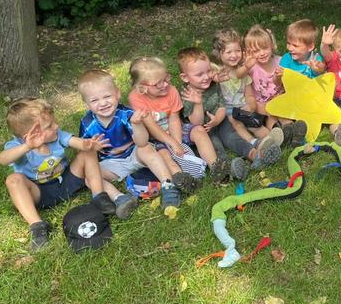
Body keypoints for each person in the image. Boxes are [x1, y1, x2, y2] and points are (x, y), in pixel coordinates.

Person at [0, 98, 112, 251]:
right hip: (40, 192)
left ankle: (99, 198)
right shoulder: (17, 146)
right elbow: (3, 159)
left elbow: (74, 141)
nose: (56, 126)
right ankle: (37, 226)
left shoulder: (57, 135)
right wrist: (27, 147)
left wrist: (88, 144)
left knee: (88, 153)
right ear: (30, 134)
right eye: (50, 125)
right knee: (13, 180)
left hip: (66, 181)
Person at [78, 69, 185, 218]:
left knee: (146, 149)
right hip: (111, 163)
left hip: (135, 155)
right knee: (89, 176)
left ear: (117, 94)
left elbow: (142, 142)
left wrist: (136, 124)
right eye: (94, 100)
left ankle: (168, 186)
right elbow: (84, 151)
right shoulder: (87, 123)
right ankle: (120, 198)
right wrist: (92, 148)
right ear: (87, 104)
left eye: (107, 96)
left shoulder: (126, 114)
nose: (102, 103)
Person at [177, 47, 281, 181]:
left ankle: (255, 155)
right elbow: (196, 122)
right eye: (199, 75)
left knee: (232, 137)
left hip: (219, 121)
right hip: (203, 129)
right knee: (216, 147)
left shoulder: (213, 84)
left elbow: (222, 106)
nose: (206, 77)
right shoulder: (187, 94)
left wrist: (217, 120)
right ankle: (228, 169)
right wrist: (198, 103)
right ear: (185, 77)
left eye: (208, 71)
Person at [127, 56, 206, 200]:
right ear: (142, 87)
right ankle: (182, 181)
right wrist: (172, 143)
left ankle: (216, 166)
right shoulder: (135, 97)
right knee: (166, 157)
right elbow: (152, 127)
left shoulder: (171, 90)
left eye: (166, 78)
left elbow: (174, 118)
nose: (165, 84)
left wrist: (177, 142)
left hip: (176, 130)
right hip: (156, 138)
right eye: (158, 84)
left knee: (199, 131)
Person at [211, 29, 284, 147]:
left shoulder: (244, 73)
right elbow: (207, 73)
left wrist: (251, 106)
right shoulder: (216, 70)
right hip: (227, 109)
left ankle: (272, 139)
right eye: (229, 52)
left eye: (237, 51)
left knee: (254, 124)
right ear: (219, 54)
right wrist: (215, 77)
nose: (234, 55)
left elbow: (249, 94)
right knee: (236, 123)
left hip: (243, 106)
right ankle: (253, 141)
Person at [241, 24, 306, 146]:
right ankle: (278, 132)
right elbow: (239, 77)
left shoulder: (281, 61)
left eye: (264, 48)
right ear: (249, 53)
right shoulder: (251, 68)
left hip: (280, 99)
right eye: (256, 51)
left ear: (271, 45)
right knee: (269, 114)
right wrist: (246, 65)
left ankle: (291, 130)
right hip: (263, 105)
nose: (261, 53)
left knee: (281, 111)